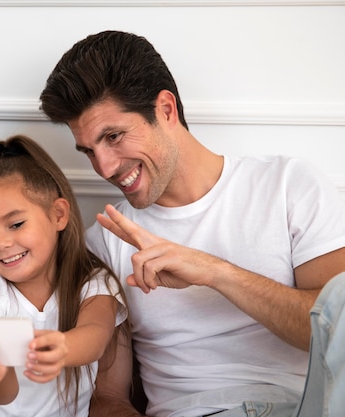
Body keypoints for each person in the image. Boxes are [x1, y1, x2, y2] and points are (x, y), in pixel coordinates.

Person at [39, 30, 345, 417]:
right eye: (89, 151)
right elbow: (108, 399)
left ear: (166, 110)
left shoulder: (287, 184)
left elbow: (335, 330)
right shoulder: (104, 241)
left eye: (113, 136)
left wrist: (215, 272)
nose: (104, 167)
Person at [0, 134, 128, 416]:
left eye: (16, 224)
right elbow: (6, 395)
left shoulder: (92, 283)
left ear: (58, 215)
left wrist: (63, 348)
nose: (1, 243)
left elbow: (96, 335)